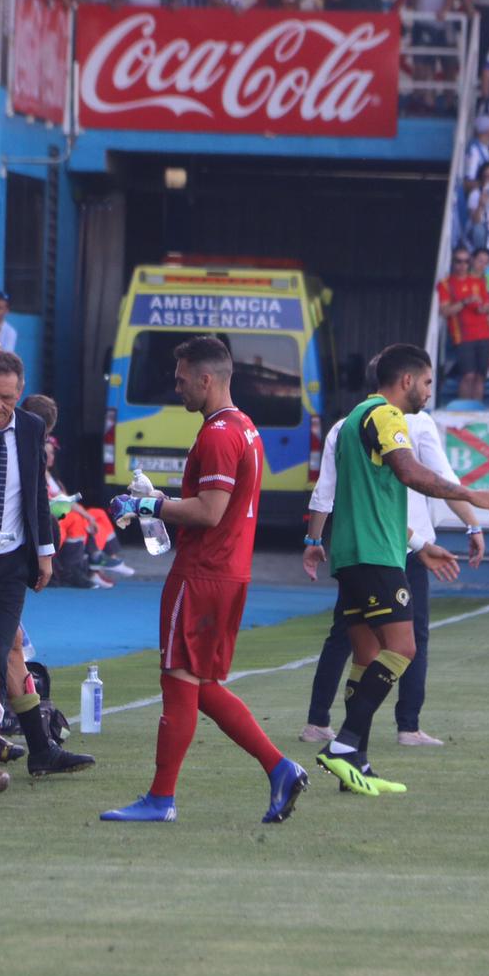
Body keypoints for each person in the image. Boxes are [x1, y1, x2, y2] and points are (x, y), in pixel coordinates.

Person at [101, 336, 311, 824]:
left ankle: (160, 798)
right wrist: (162, 497)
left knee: (177, 681)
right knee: (203, 684)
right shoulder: (244, 427)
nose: (177, 389)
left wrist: (146, 506)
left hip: (201, 573)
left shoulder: (217, 434)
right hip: (230, 573)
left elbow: (210, 512)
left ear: (206, 378)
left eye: (180, 380)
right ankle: (279, 768)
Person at [306, 344, 489, 797]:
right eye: (429, 382)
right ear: (408, 381)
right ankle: (344, 745)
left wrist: (422, 545)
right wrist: (471, 496)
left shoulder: (351, 420)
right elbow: (411, 473)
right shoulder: (386, 417)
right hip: (377, 554)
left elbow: (344, 491)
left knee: (366, 657)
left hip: (355, 553)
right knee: (403, 648)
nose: (430, 392)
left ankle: (355, 764)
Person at [0, 350, 94, 775]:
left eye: (6, 398)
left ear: (20, 393)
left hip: (12, 560)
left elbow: (36, 493)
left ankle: (14, 749)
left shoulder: (32, 427)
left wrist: (45, 554)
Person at [439, 248, 489, 399]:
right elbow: (444, 311)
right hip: (462, 335)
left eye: (466, 261)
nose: (462, 265)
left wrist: (486, 308)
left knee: (480, 377)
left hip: (484, 333)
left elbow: (488, 307)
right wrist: (464, 301)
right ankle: (464, 409)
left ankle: (477, 410)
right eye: (458, 261)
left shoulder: (479, 282)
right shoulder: (446, 284)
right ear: (453, 262)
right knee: (468, 376)